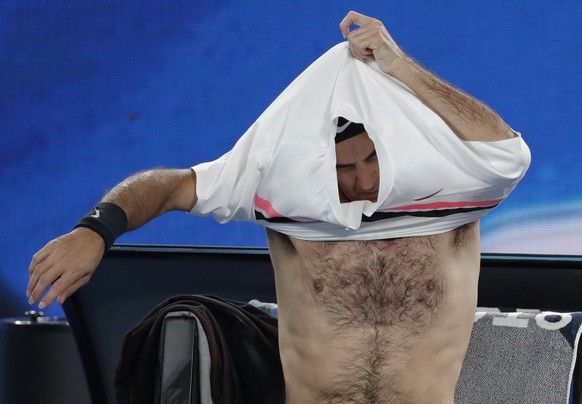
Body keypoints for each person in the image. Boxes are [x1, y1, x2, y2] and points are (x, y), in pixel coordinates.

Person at [27, 11, 530, 404]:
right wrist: (95, 230)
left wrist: (399, 66)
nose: (362, 181)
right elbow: (171, 185)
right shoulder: (284, 188)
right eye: (341, 169)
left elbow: (508, 150)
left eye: (371, 159)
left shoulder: (451, 190)